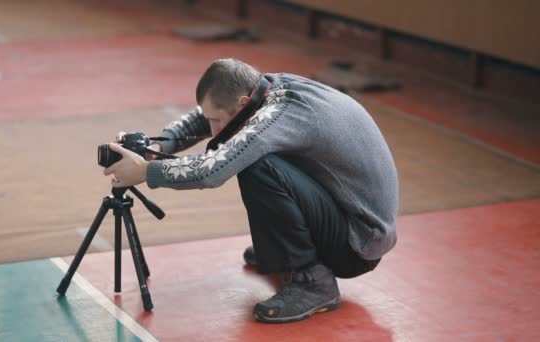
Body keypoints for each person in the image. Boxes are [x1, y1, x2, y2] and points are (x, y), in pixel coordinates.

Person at [103, 58, 398, 323]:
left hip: (357, 244)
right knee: (254, 152)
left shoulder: (281, 114)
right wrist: (158, 146)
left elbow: (213, 169)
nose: (213, 128)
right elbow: (206, 114)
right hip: (347, 214)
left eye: (216, 121)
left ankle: (313, 283)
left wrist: (145, 172)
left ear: (243, 102)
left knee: (257, 166)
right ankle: (284, 249)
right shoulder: (267, 87)